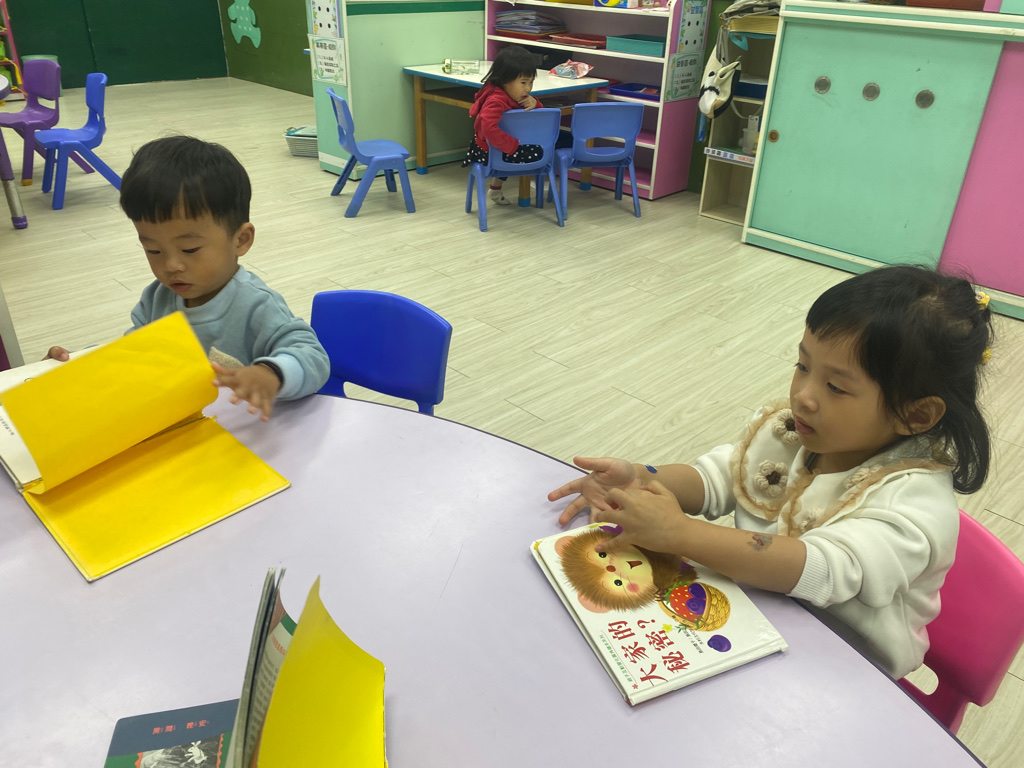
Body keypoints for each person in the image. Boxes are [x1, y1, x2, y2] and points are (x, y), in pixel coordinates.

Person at [548, 265, 993, 679]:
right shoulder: (791, 433)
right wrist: (643, 479)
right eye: (803, 366)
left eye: (835, 386)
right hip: (753, 623)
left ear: (916, 415)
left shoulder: (913, 501)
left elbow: (823, 570)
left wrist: (681, 534)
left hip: (845, 671)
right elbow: (717, 478)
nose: (803, 396)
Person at [46, 136, 330, 421]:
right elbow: (132, 355)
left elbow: (312, 356)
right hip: (184, 425)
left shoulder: (255, 304)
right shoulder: (156, 299)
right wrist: (75, 363)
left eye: (190, 249)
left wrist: (270, 373)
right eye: (153, 250)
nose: (171, 265)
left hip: (250, 432)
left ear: (241, 240)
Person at [463, 45, 543, 205]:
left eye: (531, 82)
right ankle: (497, 188)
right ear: (505, 81)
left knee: (532, 148)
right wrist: (511, 145)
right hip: (486, 149)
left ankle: (495, 188)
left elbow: (536, 117)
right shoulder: (495, 100)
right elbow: (488, 127)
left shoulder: (515, 94)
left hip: (502, 146)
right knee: (534, 152)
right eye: (523, 82)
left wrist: (535, 104)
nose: (528, 88)